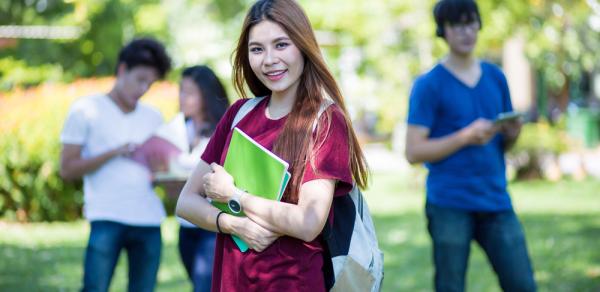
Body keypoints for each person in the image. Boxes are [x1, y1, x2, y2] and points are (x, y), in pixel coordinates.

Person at [175, 0, 369, 290]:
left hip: (292, 282)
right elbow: (185, 202)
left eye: (281, 45)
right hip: (232, 280)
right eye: (257, 49)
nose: (268, 59)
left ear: (302, 46)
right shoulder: (238, 114)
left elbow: (308, 222)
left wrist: (234, 195)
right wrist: (234, 224)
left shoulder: (325, 121)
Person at [404, 1, 536, 291]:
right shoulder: (428, 85)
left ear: (479, 25)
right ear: (444, 31)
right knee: (450, 287)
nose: (466, 31)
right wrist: (464, 136)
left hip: (496, 199)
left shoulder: (496, 77)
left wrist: (513, 133)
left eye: (471, 22)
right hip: (449, 204)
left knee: (523, 284)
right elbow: (413, 152)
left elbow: (503, 145)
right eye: (457, 25)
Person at [59, 38, 171, 292]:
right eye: (140, 80)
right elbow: (67, 170)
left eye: (150, 84)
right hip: (106, 217)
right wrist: (114, 153)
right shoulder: (85, 109)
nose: (143, 89)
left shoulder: (153, 116)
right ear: (122, 70)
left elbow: (161, 172)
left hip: (149, 221)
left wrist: (162, 169)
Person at [162, 65, 230, 292]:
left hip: (212, 224)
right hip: (186, 225)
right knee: (198, 284)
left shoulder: (225, 129)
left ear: (206, 94)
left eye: (189, 92)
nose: (182, 97)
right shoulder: (177, 127)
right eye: (180, 90)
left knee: (205, 286)